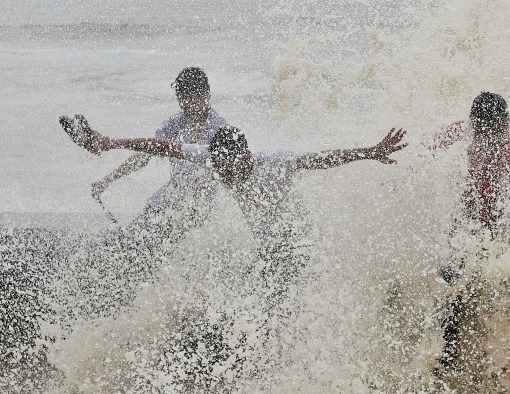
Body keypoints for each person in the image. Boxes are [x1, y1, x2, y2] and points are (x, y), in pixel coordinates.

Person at [59, 115, 407, 321]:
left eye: (231, 167)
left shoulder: (272, 162)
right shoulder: (212, 157)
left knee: (281, 296)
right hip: (267, 245)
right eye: (219, 168)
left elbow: (320, 159)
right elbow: (159, 146)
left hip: (297, 241)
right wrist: (108, 142)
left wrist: (369, 152)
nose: (225, 175)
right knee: (259, 296)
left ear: (246, 155)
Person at [426, 92, 510, 373]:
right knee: (451, 286)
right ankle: (447, 354)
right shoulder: (456, 135)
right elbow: (423, 156)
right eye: (481, 130)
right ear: (472, 125)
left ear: (506, 124)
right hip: (466, 222)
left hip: (505, 223)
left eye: (494, 130)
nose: (487, 136)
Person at [91, 67, 228, 237]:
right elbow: (145, 154)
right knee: (132, 237)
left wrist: (193, 195)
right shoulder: (175, 123)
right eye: (181, 99)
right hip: (169, 197)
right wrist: (107, 180)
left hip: (201, 206)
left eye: (190, 99)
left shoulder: (221, 129)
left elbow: (220, 171)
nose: (185, 105)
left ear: (205, 96)